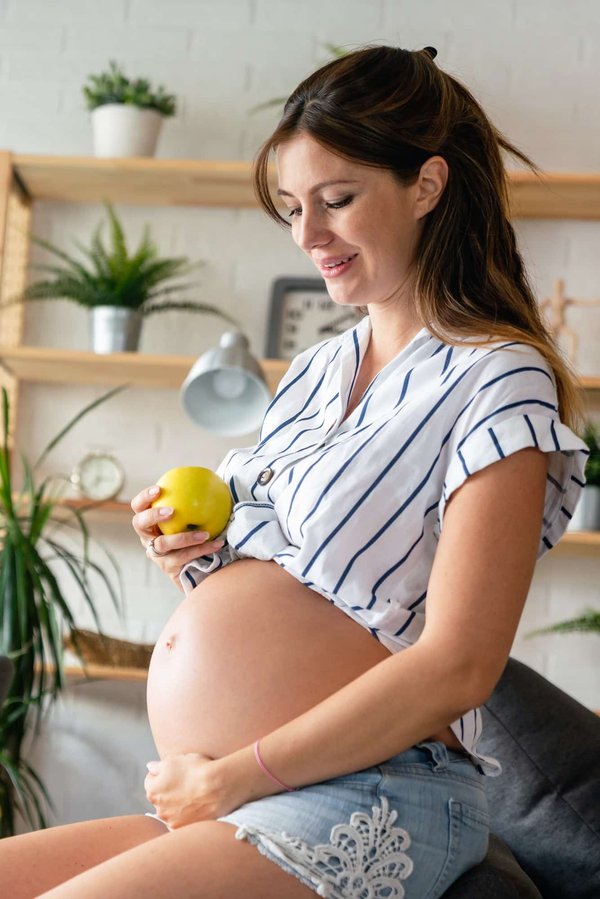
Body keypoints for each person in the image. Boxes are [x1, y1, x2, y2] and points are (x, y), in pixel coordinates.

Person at [0, 44, 588, 899]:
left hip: (364, 792)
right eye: (291, 206)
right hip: (233, 791)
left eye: (337, 200)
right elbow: (292, 588)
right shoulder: (315, 370)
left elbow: (458, 663)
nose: (307, 234)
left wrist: (236, 773)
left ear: (426, 186)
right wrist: (194, 555)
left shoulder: (497, 376)